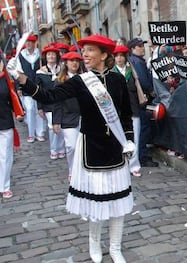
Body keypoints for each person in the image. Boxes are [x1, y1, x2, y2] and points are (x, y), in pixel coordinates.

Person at [8, 34, 135, 263]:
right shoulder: (80, 81)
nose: (84, 55)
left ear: (104, 55)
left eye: (90, 51)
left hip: (115, 149)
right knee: (97, 200)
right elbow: (48, 95)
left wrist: (129, 139)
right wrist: (22, 78)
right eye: (83, 50)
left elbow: (125, 114)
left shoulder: (118, 81)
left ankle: (115, 248)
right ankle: (94, 245)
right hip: (91, 148)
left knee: (119, 203)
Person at [128, 37, 158, 167]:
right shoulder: (137, 61)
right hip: (142, 100)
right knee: (143, 128)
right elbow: (143, 81)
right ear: (133, 49)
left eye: (142, 46)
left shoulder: (136, 60)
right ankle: (142, 156)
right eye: (139, 46)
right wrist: (151, 91)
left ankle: (141, 154)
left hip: (138, 101)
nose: (142, 48)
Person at [52, 51, 83, 180]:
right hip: (68, 118)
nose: (74, 63)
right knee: (71, 146)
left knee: (84, 146)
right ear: (66, 63)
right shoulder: (60, 81)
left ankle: (83, 169)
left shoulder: (86, 77)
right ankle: (72, 169)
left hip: (84, 117)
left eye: (77, 60)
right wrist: (56, 121)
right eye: (71, 61)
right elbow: (57, 102)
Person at [113, 44, 141, 176]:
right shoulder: (112, 72)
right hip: (117, 111)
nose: (119, 59)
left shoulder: (132, 71)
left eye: (121, 56)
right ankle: (121, 164)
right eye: (117, 56)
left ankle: (134, 165)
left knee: (135, 136)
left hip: (133, 108)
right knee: (120, 137)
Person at [36, 45, 65, 160]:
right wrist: (40, 107)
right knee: (52, 127)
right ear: (45, 57)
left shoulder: (62, 70)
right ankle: (54, 149)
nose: (51, 56)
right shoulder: (40, 73)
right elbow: (38, 91)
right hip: (48, 104)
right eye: (49, 55)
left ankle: (61, 148)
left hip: (61, 103)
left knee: (62, 126)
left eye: (53, 54)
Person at [16, 34, 45, 143]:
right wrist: (19, 86)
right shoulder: (21, 56)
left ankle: (40, 132)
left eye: (30, 42)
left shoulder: (40, 55)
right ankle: (31, 133)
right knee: (29, 109)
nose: (28, 44)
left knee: (39, 110)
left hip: (39, 86)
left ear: (34, 43)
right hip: (26, 87)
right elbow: (18, 72)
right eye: (27, 42)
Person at [0, 59, 20, 199]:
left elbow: (12, 95)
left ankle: (4, 186)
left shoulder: (5, 77)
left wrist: (18, 111)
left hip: (5, 120)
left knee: (6, 156)